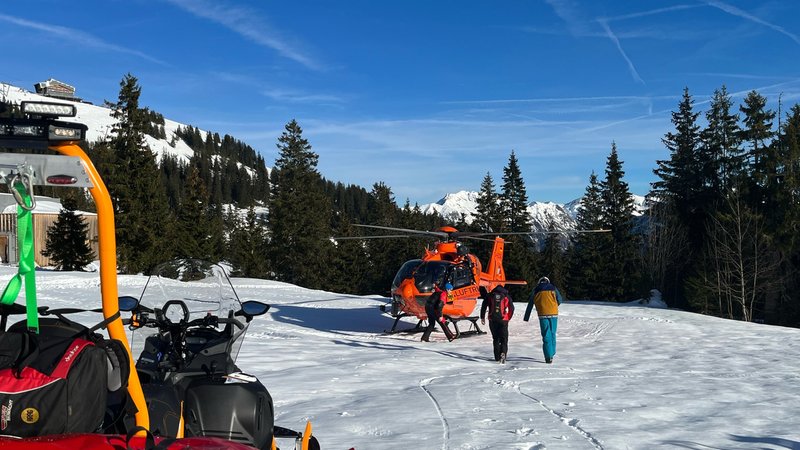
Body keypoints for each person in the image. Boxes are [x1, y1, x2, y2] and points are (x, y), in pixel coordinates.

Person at [523, 276, 563, 364]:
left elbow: (530, 304)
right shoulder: (553, 288)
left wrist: (526, 317)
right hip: (554, 314)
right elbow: (560, 300)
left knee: (546, 335)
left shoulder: (536, 290)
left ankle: (548, 357)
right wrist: (554, 306)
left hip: (542, 314)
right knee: (553, 333)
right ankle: (552, 352)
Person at [480, 285, 514, 363]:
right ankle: (503, 353)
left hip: (492, 319)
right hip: (503, 320)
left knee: (496, 338)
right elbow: (511, 308)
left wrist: (482, 317)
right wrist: (508, 317)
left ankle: (497, 357)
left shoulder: (490, 295)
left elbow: (484, 306)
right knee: (504, 339)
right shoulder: (506, 296)